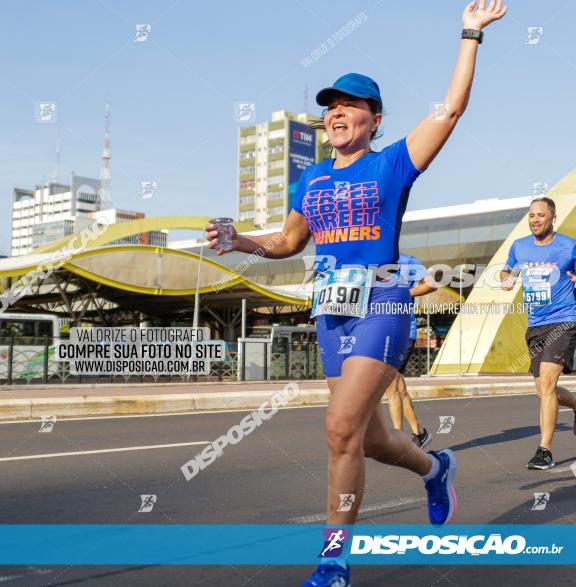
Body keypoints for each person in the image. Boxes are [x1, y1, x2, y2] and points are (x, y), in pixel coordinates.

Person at [207, 3, 508, 584]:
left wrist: (469, 35)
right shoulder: (311, 178)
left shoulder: (394, 163)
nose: (336, 113)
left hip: (384, 301)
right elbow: (291, 241)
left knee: (339, 427)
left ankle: (334, 559)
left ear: (373, 119)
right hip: (331, 313)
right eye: (329, 107)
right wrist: (241, 238)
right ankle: (435, 468)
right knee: (367, 439)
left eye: (349, 105)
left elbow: (450, 109)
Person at [501, 197, 576, 470]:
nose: (535, 220)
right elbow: (507, 270)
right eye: (531, 215)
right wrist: (506, 279)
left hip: (565, 320)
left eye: (540, 215)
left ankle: (544, 450)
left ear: (553, 217)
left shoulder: (569, 246)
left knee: (547, 385)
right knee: (543, 390)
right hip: (536, 324)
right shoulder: (519, 247)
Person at [385, 252, 435, 449]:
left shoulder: (407, 261)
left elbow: (430, 283)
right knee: (398, 388)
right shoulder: (372, 263)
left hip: (403, 330)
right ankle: (419, 434)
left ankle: (398, 440)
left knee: (391, 385)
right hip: (382, 332)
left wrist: (406, 294)